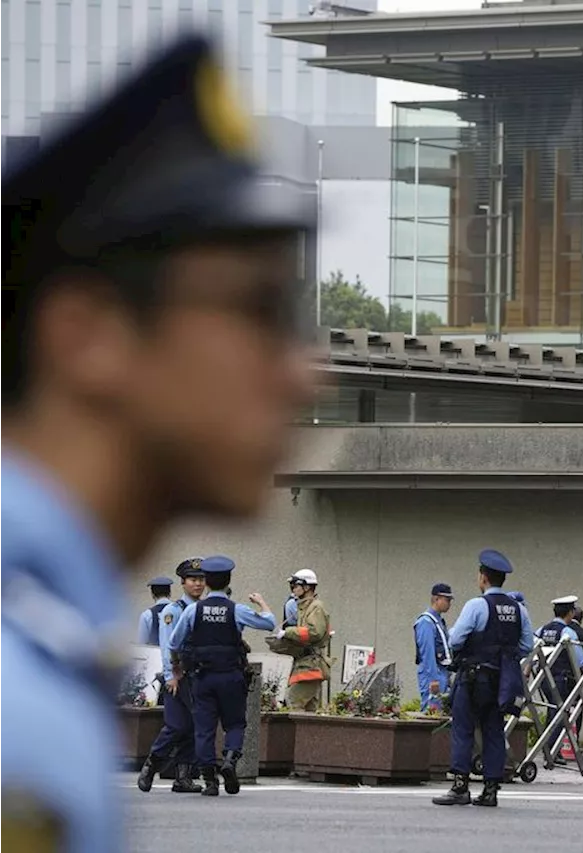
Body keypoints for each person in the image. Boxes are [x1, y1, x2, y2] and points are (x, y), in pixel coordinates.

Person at [0, 34, 313, 852]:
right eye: (259, 310)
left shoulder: (44, 635)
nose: (301, 373)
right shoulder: (18, 727)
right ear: (89, 335)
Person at [433, 549, 534, 808]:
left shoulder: (476, 605)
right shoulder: (518, 609)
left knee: (463, 729)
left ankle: (460, 787)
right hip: (501, 681)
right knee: (493, 731)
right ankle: (491, 790)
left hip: (473, 677)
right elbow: (527, 645)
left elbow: (455, 640)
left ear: (483, 578)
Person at [169, 555, 277, 796]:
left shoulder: (193, 610)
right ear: (228, 580)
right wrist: (262, 603)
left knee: (204, 729)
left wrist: (176, 667)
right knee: (235, 723)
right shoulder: (236, 610)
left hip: (202, 677)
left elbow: (174, 642)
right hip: (231, 676)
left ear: (206, 581)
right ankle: (229, 760)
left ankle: (209, 781)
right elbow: (270, 624)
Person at [137, 558, 208, 794]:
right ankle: (151, 765)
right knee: (176, 725)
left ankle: (183, 777)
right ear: (183, 583)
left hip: (199, 676)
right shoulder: (173, 611)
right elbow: (168, 645)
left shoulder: (204, 609)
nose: (198, 584)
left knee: (192, 726)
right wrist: (170, 675)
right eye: (193, 580)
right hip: (178, 676)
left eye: (201, 580)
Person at [266, 569, 331, 711]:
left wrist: (287, 632)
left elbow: (314, 633)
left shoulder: (316, 607)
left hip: (311, 664)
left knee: (293, 702)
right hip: (306, 663)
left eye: (295, 585)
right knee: (309, 709)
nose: (293, 589)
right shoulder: (304, 607)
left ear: (307, 587)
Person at [539, 595, 583, 763]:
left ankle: (550, 749)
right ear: (570, 613)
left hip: (543, 678)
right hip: (561, 679)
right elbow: (581, 660)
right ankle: (552, 751)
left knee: (551, 713)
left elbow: (533, 649)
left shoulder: (543, 629)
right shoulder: (567, 632)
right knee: (561, 715)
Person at [414, 582, 455, 710]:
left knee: (441, 711)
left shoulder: (438, 621)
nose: (449, 603)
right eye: (447, 599)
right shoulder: (426, 622)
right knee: (431, 710)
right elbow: (427, 653)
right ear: (436, 599)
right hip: (433, 672)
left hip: (442, 672)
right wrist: (433, 679)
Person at [138, 576, 175, 646]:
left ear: (152, 594)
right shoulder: (179, 610)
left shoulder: (146, 615)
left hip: (154, 655)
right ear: (170, 593)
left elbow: (142, 644)